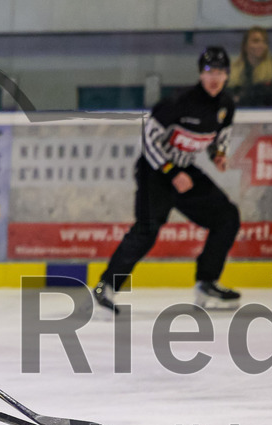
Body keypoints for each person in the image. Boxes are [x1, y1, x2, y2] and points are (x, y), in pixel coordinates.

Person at [93, 47, 241, 314]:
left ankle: (206, 282)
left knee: (227, 217)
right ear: (200, 74)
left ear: (228, 75)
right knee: (147, 230)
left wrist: (218, 153)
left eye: (220, 72)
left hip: (186, 172)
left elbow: (221, 135)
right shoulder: (179, 102)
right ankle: (106, 286)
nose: (215, 78)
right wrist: (171, 172)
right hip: (156, 172)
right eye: (210, 72)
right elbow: (148, 138)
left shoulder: (226, 105)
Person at [227, 27, 272, 107]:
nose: (261, 45)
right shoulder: (232, 69)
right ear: (245, 45)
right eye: (256, 41)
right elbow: (227, 97)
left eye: (264, 42)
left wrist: (243, 96)